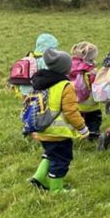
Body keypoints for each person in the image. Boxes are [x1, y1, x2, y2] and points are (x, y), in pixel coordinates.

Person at [27, 49, 89, 193]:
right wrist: (82, 128)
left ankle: (40, 177)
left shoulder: (39, 81)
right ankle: (56, 190)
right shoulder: (65, 86)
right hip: (58, 132)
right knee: (61, 159)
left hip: (41, 128)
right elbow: (71, 111)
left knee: (50, 153)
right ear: (66, 68)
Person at [69, 42, 101, 141]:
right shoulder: (89, 69)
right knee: (94, 117)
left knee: (80, 117)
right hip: (90, 101)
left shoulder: (70, 65)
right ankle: (93, 133)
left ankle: (80, 132)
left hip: (76, 99)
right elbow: (94, 82)